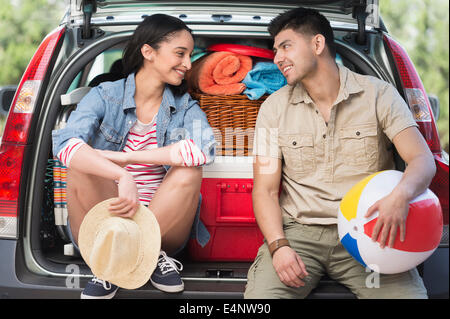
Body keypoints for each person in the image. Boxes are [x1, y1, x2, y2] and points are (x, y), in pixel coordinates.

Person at [244, 7, 435, 299]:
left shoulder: (379, 94)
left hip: (372, 232)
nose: (277, 58)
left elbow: (422, 160)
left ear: (317, 44)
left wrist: (400, 196)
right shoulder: (273, 108)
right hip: (300, 236)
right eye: (276, 50)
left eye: (285, 46)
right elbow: (265, 191)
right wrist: (278, 246)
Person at [52, 14, 216, 299]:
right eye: (180, 53)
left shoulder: (184, 106)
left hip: (162, 227)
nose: (188, 64)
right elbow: (65, 145)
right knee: (80, 161)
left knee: (191, 168)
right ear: (148, 51)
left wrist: (129, 159)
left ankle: (115, 265)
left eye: (190, 55)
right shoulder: (105, 95)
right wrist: (121, 175)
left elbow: (203, 149)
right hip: (103, 223)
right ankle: (134, 257)